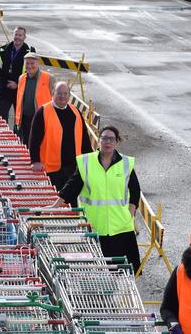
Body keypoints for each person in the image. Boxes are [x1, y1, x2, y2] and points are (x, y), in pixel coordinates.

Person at [51, 124, 141, 273]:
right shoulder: (87, 162)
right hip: (94, 226)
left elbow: (135, 191)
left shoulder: (126, 163)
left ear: (116, 142)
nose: (107, 142)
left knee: (121, 271)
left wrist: (130, 214)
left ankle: (118, 295)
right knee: (97, 270)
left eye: (111, 139)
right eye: (104, 138)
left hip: (120, 227)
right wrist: (55, 205)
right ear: (98, 141)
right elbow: (72, 186)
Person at [28, 81, 92, 192]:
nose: (62, 96)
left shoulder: (75, 112)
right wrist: (35, 161)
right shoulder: (43, 112)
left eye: (65, 93)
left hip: (73, 167)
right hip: (51, 169)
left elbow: (84, 139)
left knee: (70, 202)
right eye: (59, 93)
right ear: (53, 93)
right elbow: (34, 139)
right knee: (53, 201)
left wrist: (90, 159)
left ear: (69, 95)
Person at [0, 27, 33, 123]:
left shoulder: (30, 51)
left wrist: (17, 84)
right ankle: (4, 137)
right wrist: (6, 83)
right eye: (16, 35)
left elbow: (31, 72)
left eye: (20, 35)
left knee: (19, 120)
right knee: (3, 118)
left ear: (24, 37)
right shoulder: (3, 50)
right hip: (5, 89)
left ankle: (18, 137)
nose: (17, 37)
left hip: (20, 91)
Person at [14, 54, 53, 145]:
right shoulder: (21, 78)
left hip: (40, 119)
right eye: (27, 63)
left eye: (32, 63)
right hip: (25, 119)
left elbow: (55, 100)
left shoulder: (49, 78)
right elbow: (19, 100)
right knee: (27, 143)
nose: (29, 66)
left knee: (39, 144)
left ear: (38, 63)